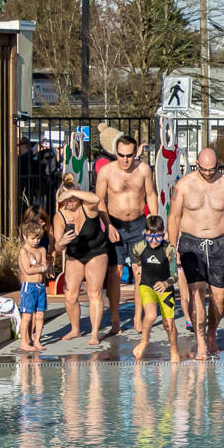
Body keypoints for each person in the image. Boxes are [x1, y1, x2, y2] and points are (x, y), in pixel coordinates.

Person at [165, 148, 224, 359]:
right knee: (196, 293)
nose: (208, 173)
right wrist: (172, 247)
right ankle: (199, 340)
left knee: (219, 299)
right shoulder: (183, 185)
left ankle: (211, 333)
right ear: (197, 165)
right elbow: (173, 217)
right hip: (192, 243)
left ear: (218, 165)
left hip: (220, 244)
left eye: (212, 169)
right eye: (204, 169)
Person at [96, 132, 160, 335]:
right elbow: (99, 201)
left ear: (135, 153)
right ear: (115, 152)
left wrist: (154, 224)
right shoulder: (106, 172)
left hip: (139, 224)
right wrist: (108, 225)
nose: (125, 160)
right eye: (122, 155)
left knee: (140, 272)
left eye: (129, 155)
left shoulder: (143, 170)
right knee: (114, 274)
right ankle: (115, 318)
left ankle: (137, 316)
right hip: (115, 224)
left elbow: (151, 194)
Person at [52, 178, 114, 344]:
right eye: (66, 199)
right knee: (70, 295)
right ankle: (75, 329)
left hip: (96, 251)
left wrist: (72, 192)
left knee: (94, 292)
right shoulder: (60, 217)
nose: (70, 203)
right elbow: (57, 248)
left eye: (72, 198)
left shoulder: (88, 207)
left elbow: (96, 199)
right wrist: (62, 242)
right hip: (75, 255)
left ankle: (94, 333)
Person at [129, 217, 180, 362]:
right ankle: (144, 341)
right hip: (147, 286)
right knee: (150, 315)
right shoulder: (139, 247)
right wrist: (138, 267)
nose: (153, 240)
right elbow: (137, 259)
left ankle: (173, 348)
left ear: (163, 234)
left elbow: (175, 275)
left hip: (165, 288)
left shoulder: (168, 249)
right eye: (149, 236)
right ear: (144, 234)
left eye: (157, 236)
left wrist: (165, 283)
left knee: (168, 324)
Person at [16, 210, 50, 355]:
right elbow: (28, 271)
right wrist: (40, 267)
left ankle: (37, 340)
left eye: (38, 238)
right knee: (27, 315)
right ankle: (24, 341)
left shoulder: (41, 249)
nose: (36, 241)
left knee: (40, 315)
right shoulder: (24, 251)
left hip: (40, 286)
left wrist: (39, 267)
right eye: (33, 238)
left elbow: (46, 267)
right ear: (25, 237)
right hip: (29, 287)